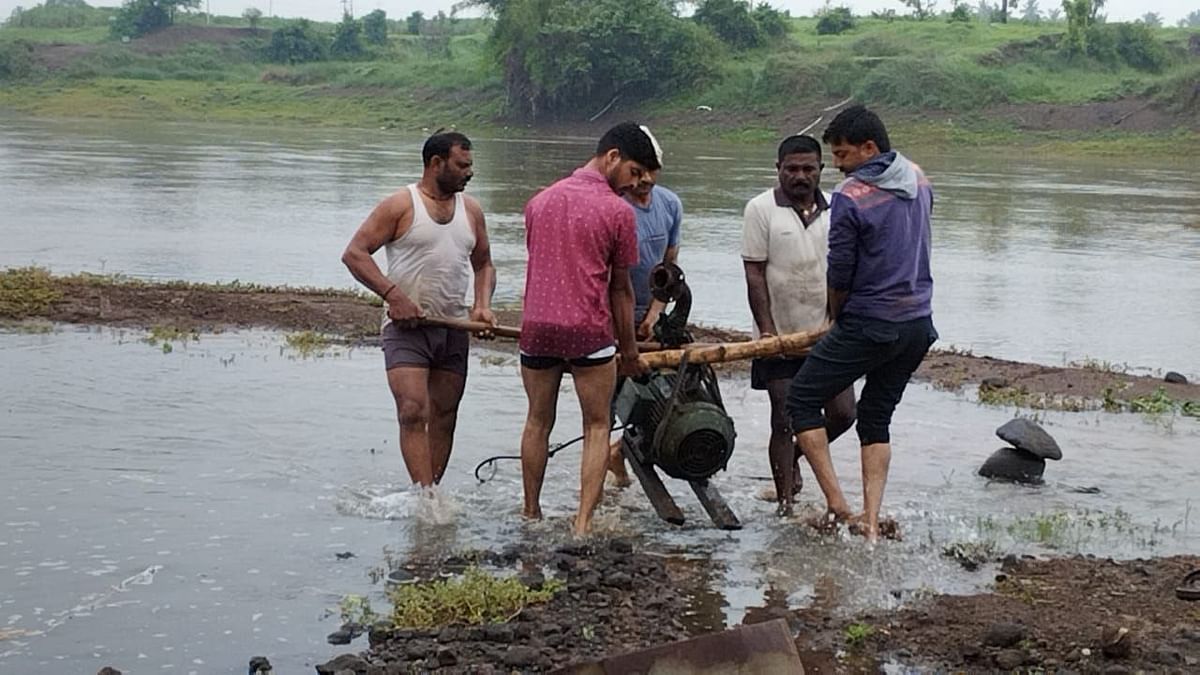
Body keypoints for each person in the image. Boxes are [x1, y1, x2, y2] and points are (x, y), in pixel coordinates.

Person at [787, 106, 938, 542]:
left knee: (802, 397)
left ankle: (837, 505)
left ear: (869, 148)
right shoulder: (919, 178)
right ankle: (870, 522)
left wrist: (836, 313)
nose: (835, 165)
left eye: (841, 154)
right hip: (917, 323)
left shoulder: (852, 194)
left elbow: (841, 268)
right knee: (875, 417)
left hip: (872, 320)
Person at [519, 122, 654, 536]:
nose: (635, 185)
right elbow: (620, 291)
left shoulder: (539, 202)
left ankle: (530, 511)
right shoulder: (618, 212)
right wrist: (629, 353)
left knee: (538, 420)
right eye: (634, 173)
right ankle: (582, 523)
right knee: (597, 424)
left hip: (537, 328)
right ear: (612, 157)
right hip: (588, 332)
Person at [341, 131, 496, 489]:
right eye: (462, 166)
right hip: (406, 328)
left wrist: (482, 306)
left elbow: (484, 264)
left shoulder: (471, 210)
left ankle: (433, 492)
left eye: (471, 166)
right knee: (413, 411)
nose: (469, 173)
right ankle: (424, 498)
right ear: (436, 163)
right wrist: (394, 295)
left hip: (454, 326)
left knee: (444, 415)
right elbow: (355, 254)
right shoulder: (401, 205)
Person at [741, 135, 856, 517]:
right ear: (778, 170)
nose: (800, 176)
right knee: (784, 416)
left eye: (808, 169)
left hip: (826, 334)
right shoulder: (760, 209)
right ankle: (786, 504)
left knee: (843, 414)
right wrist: (768, 333)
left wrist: (840, 321)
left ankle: (796, 463)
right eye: (792, 168)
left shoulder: (839, 209)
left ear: (821, 170)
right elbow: (755, 274)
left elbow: (845, 270)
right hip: (779, 335)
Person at [607, 127, 681, 489]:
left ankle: (618, 452)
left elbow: (669, 271)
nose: (645, 180)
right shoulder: (612, 207)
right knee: (606, 397)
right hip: (609, 316)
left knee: (656, 393)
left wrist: (653, 316)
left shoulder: (669, 205)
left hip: (651, 314)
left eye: (653, 171)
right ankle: (602, 456)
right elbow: (606, 277)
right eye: (640, 171)